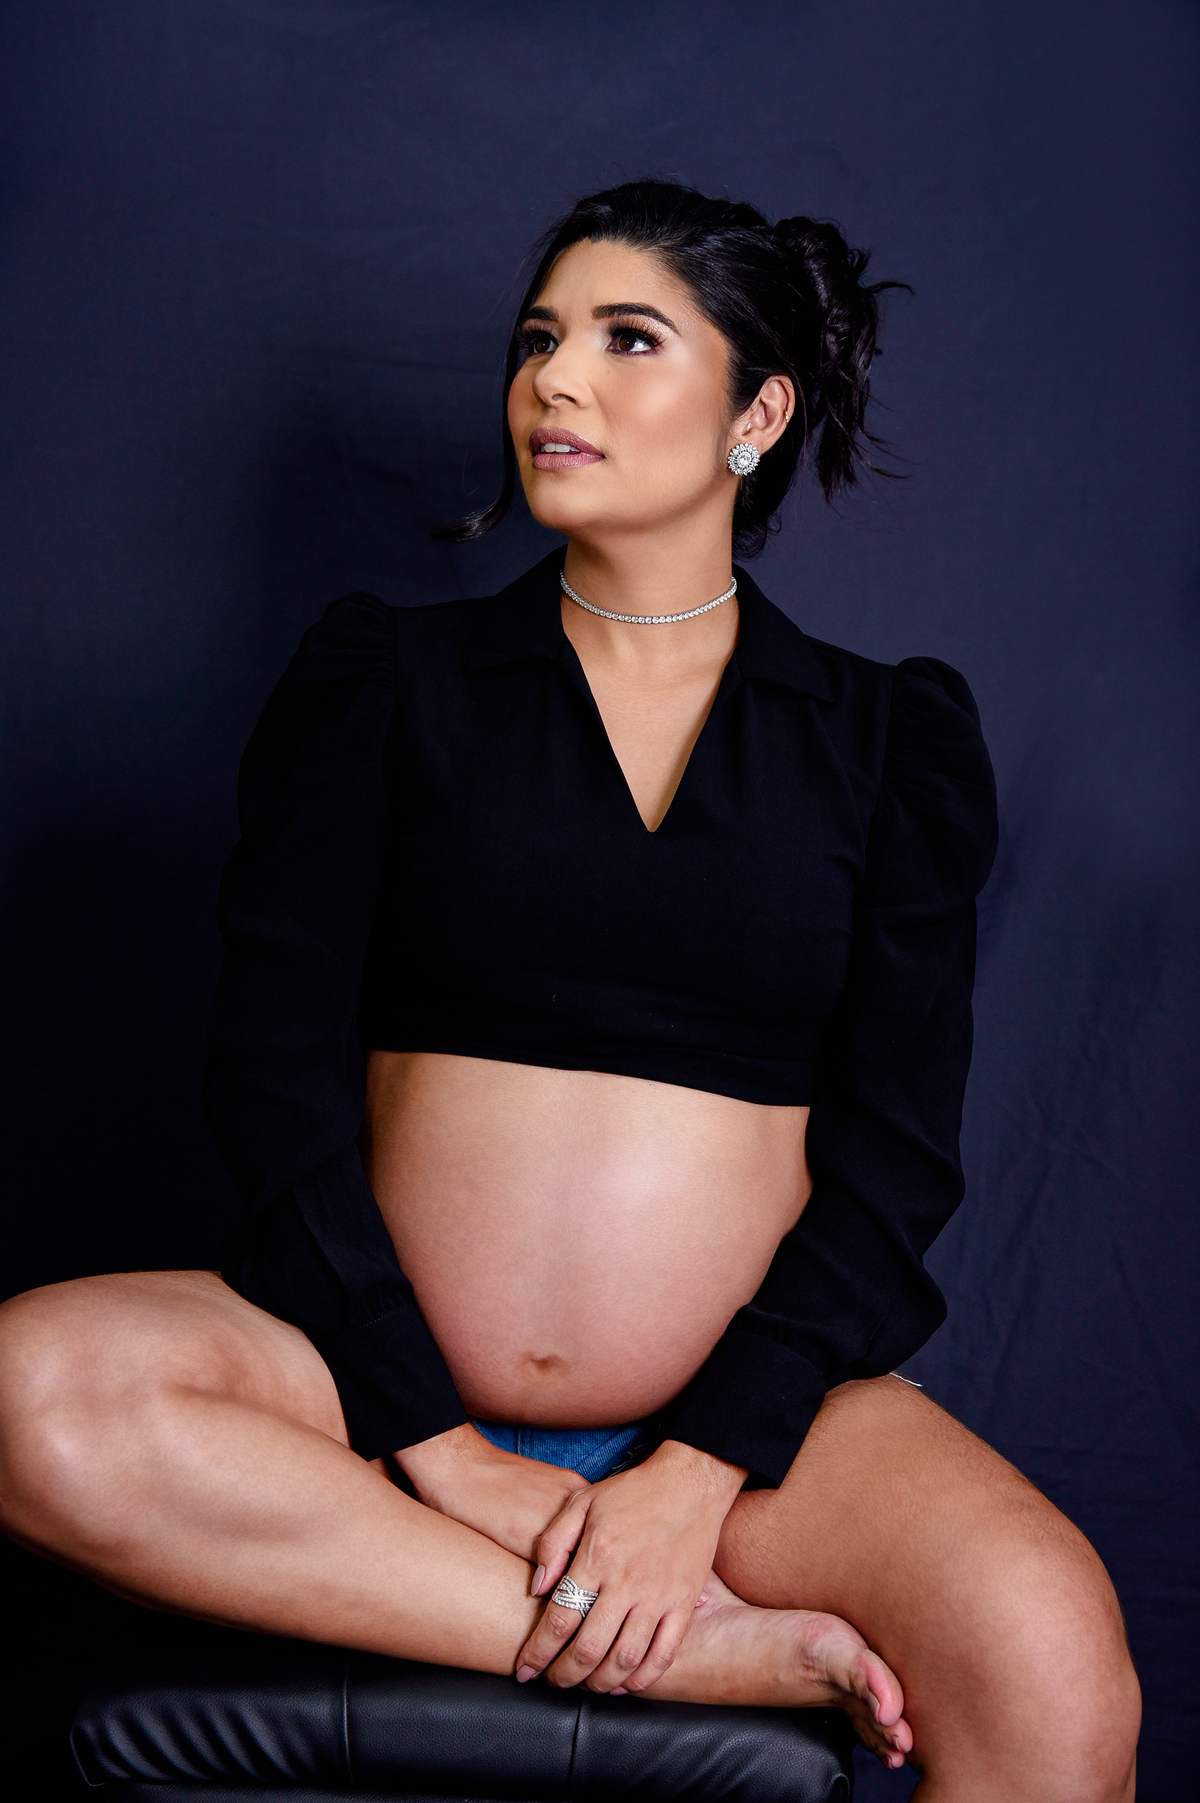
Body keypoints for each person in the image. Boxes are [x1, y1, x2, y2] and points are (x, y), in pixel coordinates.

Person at [0, 181, 1139, 1799]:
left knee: (1048, 1655)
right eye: (539, 339)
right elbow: (274, 1086)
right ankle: (675, 1646)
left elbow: (896, 1163)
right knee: (25, 1394)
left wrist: (701, 1464)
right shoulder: (386, 682)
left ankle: (644, 1578)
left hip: (752, 1440)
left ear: (757, 414)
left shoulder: (889, 741)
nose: (556, 379)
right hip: (357, 1399)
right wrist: (439, 1446)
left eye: (627, 340)